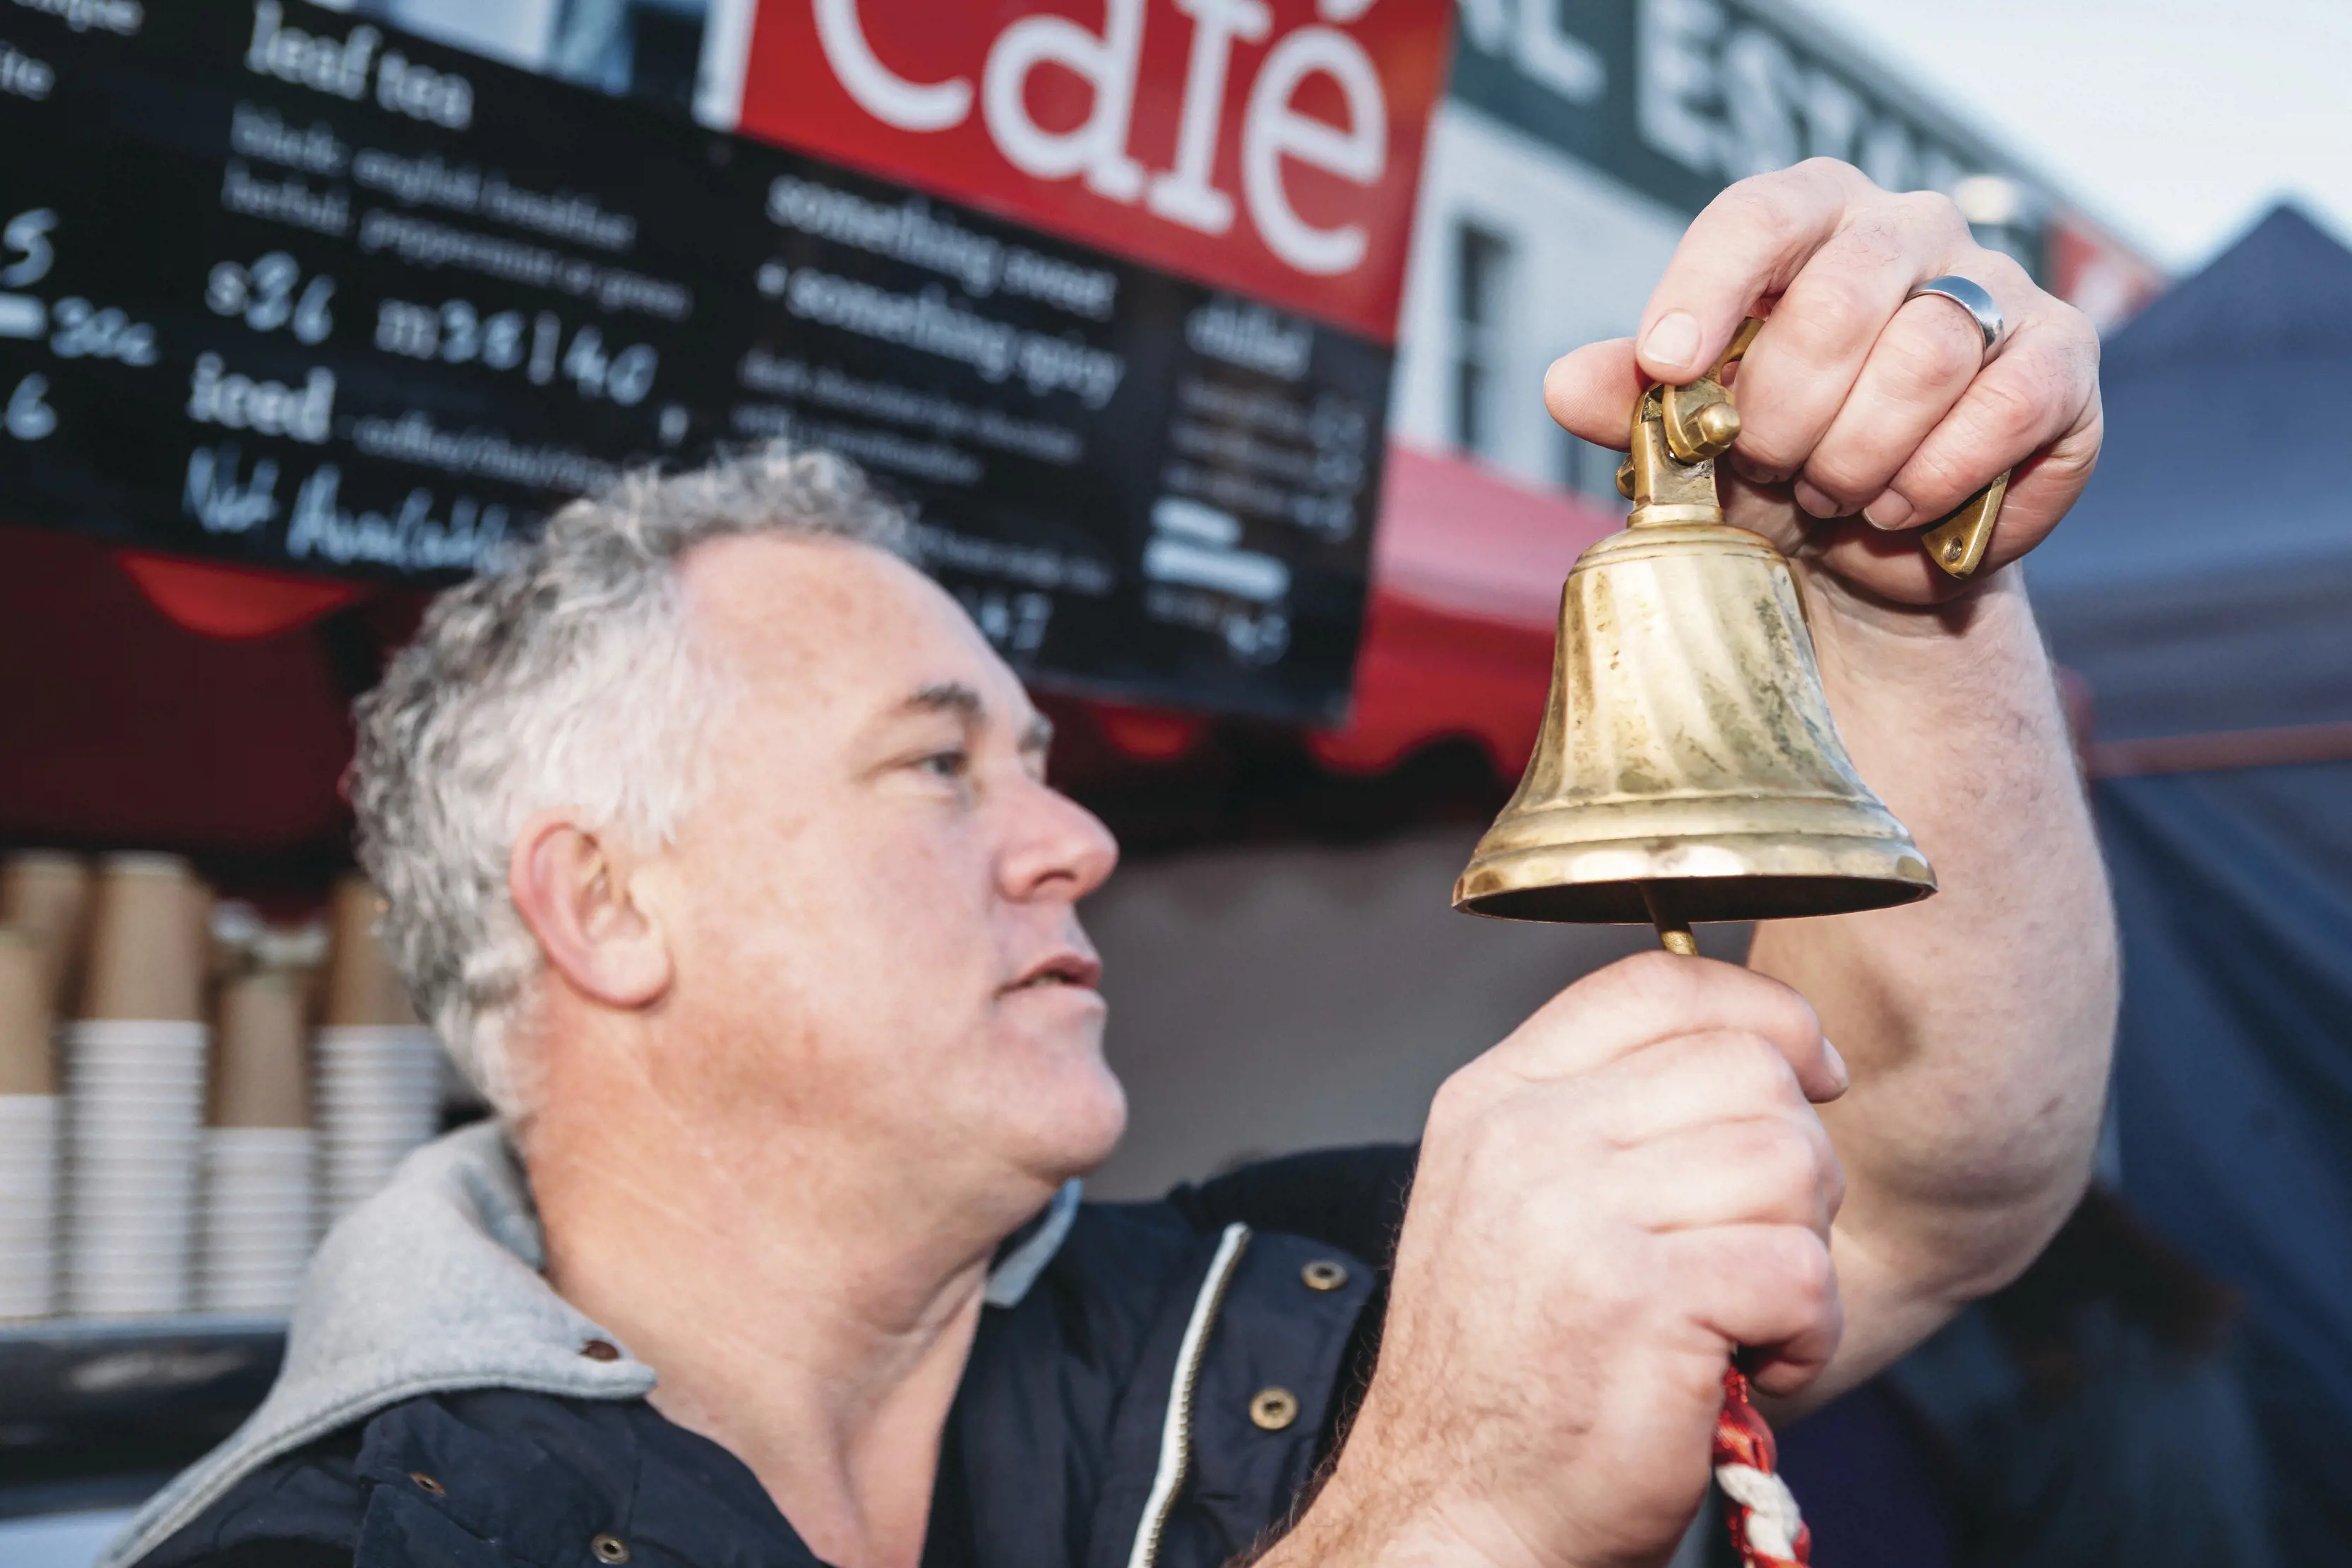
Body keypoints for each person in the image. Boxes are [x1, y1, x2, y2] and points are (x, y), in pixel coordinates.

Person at [107, 159, 2117, 1568]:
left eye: (1047, 763)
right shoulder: (314, 1542)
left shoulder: (1290, 1305)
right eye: (935, 766)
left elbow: (1933, 1177)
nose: (1075, 839)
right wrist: (1440, 1517)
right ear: (605, 906)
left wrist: (1903, 585)